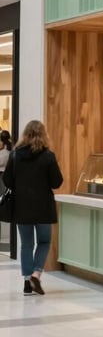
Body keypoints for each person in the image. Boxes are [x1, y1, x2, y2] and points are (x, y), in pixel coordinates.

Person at [2, 120, 63, 296]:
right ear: (44, 135)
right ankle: (36, 273)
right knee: (44, 242)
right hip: (43, 206)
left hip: (22, 206)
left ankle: (27, 282)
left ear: (25, 134)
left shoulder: (15, 155)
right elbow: (57, 182)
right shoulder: (48, 156)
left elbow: (6, 180)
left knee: (26, 244)